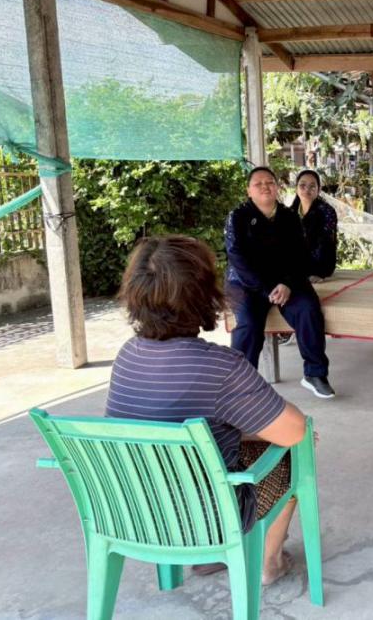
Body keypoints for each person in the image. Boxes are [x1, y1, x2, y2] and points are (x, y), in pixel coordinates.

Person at [106, 235, 308, 584]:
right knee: (291, 456)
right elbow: (295, 430)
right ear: (205, 294)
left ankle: (208, 556)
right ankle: (268, 563)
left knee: (234, 442)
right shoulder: (221, 367)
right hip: (211, 518)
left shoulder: (126, 356)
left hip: (136, 511)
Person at [225, 166, 335, 399]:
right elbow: (237, 257)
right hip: (246, 283)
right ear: (248, 191)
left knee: (308, 309)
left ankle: (315, 374)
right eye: (258, 183)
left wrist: (287, 284)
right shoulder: (238, 216)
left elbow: (300, 256)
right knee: (248, 323)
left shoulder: (289, 216)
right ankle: (241, 385)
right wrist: (266, 289)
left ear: (277, 187)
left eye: (269, 182)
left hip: (285, 281)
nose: (265, 187)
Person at [289, 169, 338, 283]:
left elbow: (327, 244)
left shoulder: (327, 211)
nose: (307, 190)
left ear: (319, 189)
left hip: (318, 267)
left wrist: (320, 273)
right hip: (295, 268)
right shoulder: (290, 212)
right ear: (296, 188)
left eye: (312, 186)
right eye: (302, 185)